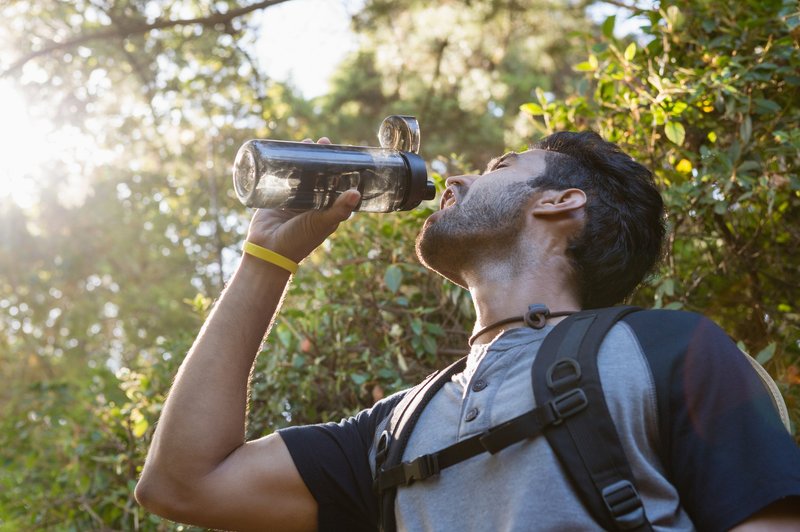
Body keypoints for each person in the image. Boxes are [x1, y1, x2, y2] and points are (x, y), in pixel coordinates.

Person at [135, 131, 800, 531]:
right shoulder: (395, 431)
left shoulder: (671, 351)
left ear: (561, 202)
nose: (455, 179)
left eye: (499, 166)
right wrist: (267, 257)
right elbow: (183, 484)